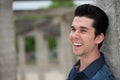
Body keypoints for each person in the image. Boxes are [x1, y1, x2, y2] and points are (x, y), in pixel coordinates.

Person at [67, 4, 116, 80]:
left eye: (83, 30)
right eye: (73, 29)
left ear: (99, 38)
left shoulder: (103, 78)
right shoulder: (76, 69)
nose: (74, 36)